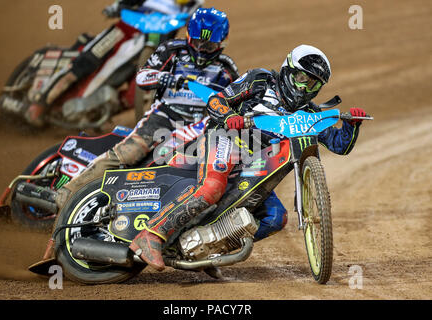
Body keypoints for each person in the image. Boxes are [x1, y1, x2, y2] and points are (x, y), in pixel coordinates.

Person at [129, 44, 368, 271]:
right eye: (302, 78)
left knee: (276, 218)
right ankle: (150, 235)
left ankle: (208, 252)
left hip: (256, 166)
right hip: (226, 138)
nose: (305, 87)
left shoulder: (308, 114)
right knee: (212, 187)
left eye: (313, 84)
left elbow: (340, 145)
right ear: (288, 70)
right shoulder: (262, 80)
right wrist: (229, 116)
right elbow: (218, 100)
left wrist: (352, 126)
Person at [53, 8, 239, 222]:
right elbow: (142, 76)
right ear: (189, 36)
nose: (202, 50)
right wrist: (163, 79)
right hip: (164, 117)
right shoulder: (172, 50)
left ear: (222, 42)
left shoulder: (226, 68)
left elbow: (236, 99)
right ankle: (66, 193)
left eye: (209, 46)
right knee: (130, 153)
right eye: (197, 42)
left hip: (198, 127)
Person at [24, 0, 203, 127]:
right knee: (87, 61)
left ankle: (96, 110)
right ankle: (40, 103)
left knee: (136, 92)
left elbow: (194, 14)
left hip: (159, 37)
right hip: (131, 24)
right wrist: (118, 5)